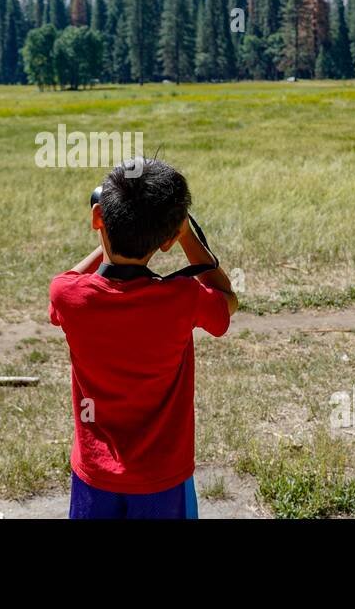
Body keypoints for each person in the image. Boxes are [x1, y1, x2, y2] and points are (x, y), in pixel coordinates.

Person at [49, 157, 238, 519]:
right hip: (162, 479)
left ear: (96, 219)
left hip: (94, 477)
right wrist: (184, 236)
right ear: (168, 240)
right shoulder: (182, 298)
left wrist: (107, 237)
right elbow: (228, 297)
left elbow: (69, 278)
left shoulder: (67, 296)